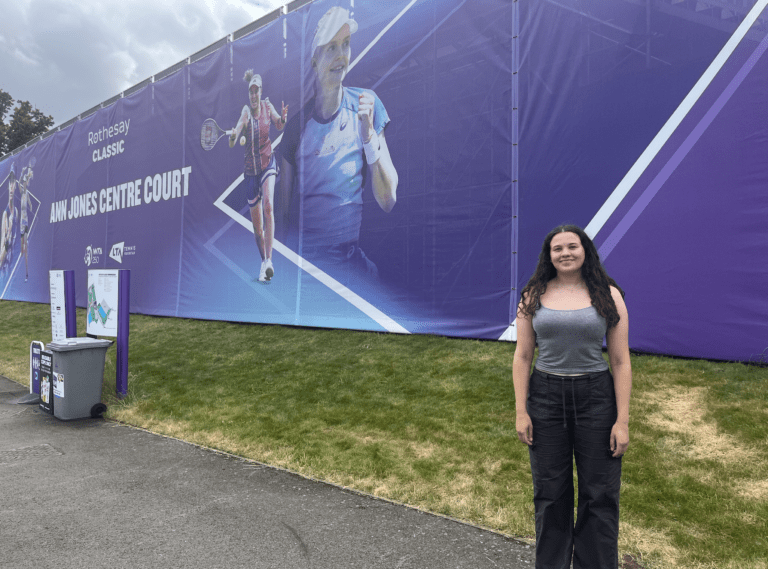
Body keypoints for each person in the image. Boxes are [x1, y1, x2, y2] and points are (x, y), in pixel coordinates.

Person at [512, 224, 632, 569]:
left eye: (572, 247)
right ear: (548, 256)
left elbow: (621, 361)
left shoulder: (609, 295)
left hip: (596, 399)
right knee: (551, 494)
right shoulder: (533, 295)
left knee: (600, 493)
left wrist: (621, 421)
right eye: (557, 248)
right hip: (546, 398)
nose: (565, 253)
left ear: (585, 251)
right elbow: (522, 356)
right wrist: (522, 411)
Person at [280, 6, 398, 279]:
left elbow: (388, 200)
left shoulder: (368, 104)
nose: (340, 56)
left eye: (345, 44)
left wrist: (368, 137)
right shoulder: (295, 128)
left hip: (351, 263)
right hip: (307, 273)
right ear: (314, 59)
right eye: (330, 47)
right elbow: (283, 218)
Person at [230, 70, 288, 282]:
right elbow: (236, 132)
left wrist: (282, 117)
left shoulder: (267, 106)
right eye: (250, 92)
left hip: (267, 164)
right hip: (250, 174)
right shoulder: (246, 111)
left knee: (269, 207)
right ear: (248, 94)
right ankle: (264, 262)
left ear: (261, 92)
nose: (254, 95)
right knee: (257, 228)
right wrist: (234, 135)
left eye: (256, 91)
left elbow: (279, 124)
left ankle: (270, 260)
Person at [0, 163, 17, 269]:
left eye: (13, 182)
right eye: (9, 183)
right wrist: (9, 232)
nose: (11, 186)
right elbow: (3, 246)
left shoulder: (16, 211)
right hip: (5, 269)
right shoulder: (5, 215)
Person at [19, 165, 33, 281]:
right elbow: (19, 182)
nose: (23, 184)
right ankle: (21, 272)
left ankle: (27, 274)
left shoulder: (27, 193)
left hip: (26, 221)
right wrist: (22, 172)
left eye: (25, 182)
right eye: (23, 182)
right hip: (21, 224)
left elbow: (29, 203)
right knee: (21, 250)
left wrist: (31, 205)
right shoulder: (21, 191)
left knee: (26, 249)